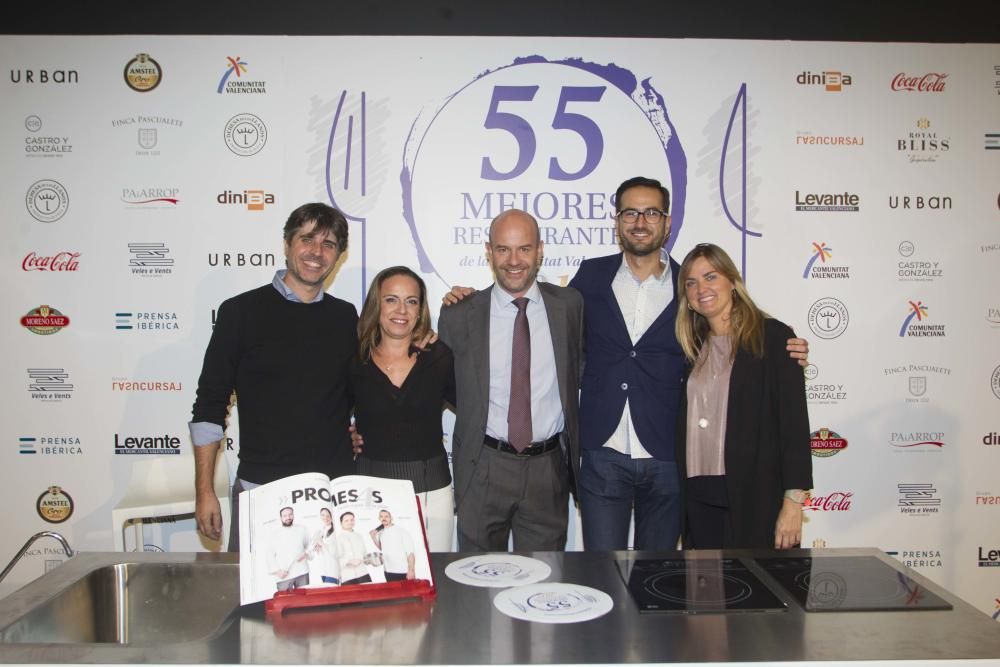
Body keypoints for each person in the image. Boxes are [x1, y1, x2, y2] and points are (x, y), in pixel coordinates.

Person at [568, 176, 810, 552]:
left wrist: (788, 351)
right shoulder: (590, 276)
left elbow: (737, 347)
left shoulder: (688, 286)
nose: (640, 221)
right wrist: (467, 301)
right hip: (603, 452)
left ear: (667, 222)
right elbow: (554, 330)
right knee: (601, 578)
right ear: (616, 221)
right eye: (630, 212)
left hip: (669, 458)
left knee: (659, 581)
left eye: (651, 212)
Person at [190, 202, 357, 551]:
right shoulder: (240, 313)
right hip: (261, 491)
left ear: (339, 255)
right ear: (287, 243)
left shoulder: (345, 317)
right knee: (252, 603)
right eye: (307, 239)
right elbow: (209, 404)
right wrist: (205, 491)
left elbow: (357, 392)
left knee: (330, 603)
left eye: (329, 245)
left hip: (332, 492)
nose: (316, 252)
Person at [438, 209, 583, 552]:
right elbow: (449, 389)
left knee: (546, 584)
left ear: (540, 250)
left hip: (548, 469)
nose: (514, 260)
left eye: (524, 249)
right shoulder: (459, 313)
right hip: (483, 465)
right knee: (476, 582)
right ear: (488, 251)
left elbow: (581, 367)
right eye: (503, 249)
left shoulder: (570, 306)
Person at [676, 244, 812, 549]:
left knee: (757, 592)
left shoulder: (773, 337)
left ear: (732, 281)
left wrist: (793, 502)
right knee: (705, 595)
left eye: (710, 277)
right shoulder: (691, 348)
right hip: (698, 498)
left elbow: (794, 425)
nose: (702, 289)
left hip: (754, 497)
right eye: (691, 283)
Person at [351, 266, 456, 552]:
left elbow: (476, 407)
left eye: (411, 301)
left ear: (421, 310)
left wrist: (468, 304)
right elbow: (326, 411)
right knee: (378, 586)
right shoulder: (354, 359)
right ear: (377, 304)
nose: (402, 310)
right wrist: (342, 435)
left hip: (432, 492)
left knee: (434, 582)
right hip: (368, 494)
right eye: (391, 299)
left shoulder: (439, 357)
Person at [267, 507, 311, 591]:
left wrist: (306, 554)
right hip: (284, 574)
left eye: (290, 514)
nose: (288, 517)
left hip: (302, 571)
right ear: (281, 517)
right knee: (285, 601)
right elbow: (269, 555)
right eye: (285, 515)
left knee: (303, 601)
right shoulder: (274, 534)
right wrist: (277, 572)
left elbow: (308, 547)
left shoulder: (302, 529)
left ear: (293, 515)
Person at [369, 509, 415, 581]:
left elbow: (410, 553)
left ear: (391, 518)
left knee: (405, 592)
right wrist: (373, 538)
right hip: (387, 571)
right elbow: (382, 548)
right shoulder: (381, 533)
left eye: (386, 516)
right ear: (379, 518)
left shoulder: (401, 532)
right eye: (381, 516)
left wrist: (411, 570)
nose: (384, 518)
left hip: (402, 571)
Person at [337, 511, 371, 585]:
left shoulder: (359, 536)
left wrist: (369, 560)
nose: (350, 522)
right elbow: (336, 559)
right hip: (348, 576)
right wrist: (348, 561)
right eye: (346, 520)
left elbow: (364, 553)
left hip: (363, 573)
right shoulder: (338, 538)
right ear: (341, 523)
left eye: (352, 520)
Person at [310, 507, 340, 585]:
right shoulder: (320, 531)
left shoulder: (336, 532)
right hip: (323, 568)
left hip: (333, 568)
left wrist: (322, 543)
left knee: (332, 593)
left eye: (327, 516)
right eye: (323, 515)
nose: (325, 518)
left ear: (331, 517)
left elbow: (335, 553)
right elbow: (311, 549)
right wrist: (316, 547)